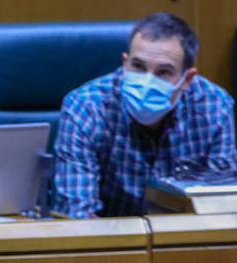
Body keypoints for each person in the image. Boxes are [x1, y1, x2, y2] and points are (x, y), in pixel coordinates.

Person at [54, 12, 236, 218]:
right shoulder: (86, 107)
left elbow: (222, 209)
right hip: (109, 239)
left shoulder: (214, 107)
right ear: (125, 63)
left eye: (163, 72)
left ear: (187, 79)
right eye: (138, 67)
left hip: (185, 240)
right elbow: (78, 215)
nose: (147, 82)